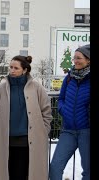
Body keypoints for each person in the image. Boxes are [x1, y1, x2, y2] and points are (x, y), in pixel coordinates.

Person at [0, 55, 53, 180]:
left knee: (23, 173)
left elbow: (46, 111)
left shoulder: (37, 87)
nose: (12, 70)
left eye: (16, 68)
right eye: (11, 67)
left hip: (28, 140)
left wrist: (43, 130)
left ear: (25, 70)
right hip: (5, 139)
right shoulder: (1, 88)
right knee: (7, 173)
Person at [49, 44, 90, 180]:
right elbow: (61, 99)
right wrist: (63, 110)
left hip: (87, 131)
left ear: (88, 60)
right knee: (55, 167)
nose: (75, 61)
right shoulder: (69, 78)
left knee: (88, 171)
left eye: (79, 58)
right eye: (74, 58)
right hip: (68, 130)